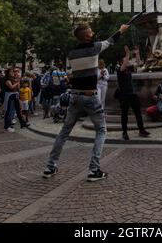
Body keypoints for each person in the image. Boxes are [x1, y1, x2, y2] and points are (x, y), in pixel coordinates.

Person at [43, 23, 129, 181]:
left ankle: (50, 166)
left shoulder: (72, 53)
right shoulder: (94, 48)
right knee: (101, 131)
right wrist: (121, 30)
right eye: (91, 32)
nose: (93, 33)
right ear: (87, 36)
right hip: (90, 97)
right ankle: (94, 169)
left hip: (75, 96)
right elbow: (111, 41)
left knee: (64, 132)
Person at [117, 45, 150, 141]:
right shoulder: (120, 70)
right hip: (124, 95)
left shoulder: (129, 69)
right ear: (121, 62)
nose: (127, 61)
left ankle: (141, 130)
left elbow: (139, 63)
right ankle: (124, 132)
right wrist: (127, 54)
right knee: (124, 115)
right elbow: (124, 65)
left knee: (138, 113)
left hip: (132, 94)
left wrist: (137, 54)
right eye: (125, 61)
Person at [3, 67, 27, 132]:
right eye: (11, 72)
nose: (13, 73)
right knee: (9, 111)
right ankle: (7, 126)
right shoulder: (7, 79)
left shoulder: (13, 79)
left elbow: (18, 88)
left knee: (18, 110)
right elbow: (11, 87)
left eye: (13, 72)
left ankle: (22, 123)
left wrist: (17, 81)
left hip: (15, 95)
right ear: (8, 73)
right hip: (9, 96)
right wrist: (17, 82)